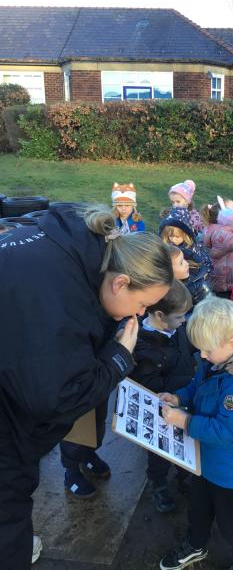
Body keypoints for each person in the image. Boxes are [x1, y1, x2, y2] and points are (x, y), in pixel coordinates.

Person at [0, 204, 173, 569]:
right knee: (8, 505)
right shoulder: (59, 302)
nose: (140, 314)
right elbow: (56, 398)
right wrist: (118, 359)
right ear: (121, 282)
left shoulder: (78, 249)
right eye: (142, 304)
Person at [158, 296, 233, 570]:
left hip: (230, 470)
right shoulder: (219, 361)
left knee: (232, 518)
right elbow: (199, 386)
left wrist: (184, 421)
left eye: (207, 350)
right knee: (198, 507)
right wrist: (179, 397)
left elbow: (224, 431)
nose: (202, 356)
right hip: (204, 459)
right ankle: (196, 544)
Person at [131, 280, 195, 513]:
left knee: (185, 442)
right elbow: (149, 385)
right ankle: (158, 484)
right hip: (162, 410)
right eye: (179, 317)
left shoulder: (176, 329)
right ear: (159, 315)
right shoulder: (142, 346)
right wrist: (182, 386)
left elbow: (189, 348)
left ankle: (184, 475)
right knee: (160, 451)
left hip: (183, 401)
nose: (184, 321)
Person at [159, 208, 212, 305]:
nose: (173, 239)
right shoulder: (167, 250)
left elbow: (206, 265)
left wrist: (203, 276)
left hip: (194, 289)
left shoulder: (195, 249)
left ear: (185, 234)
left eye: (177, 236)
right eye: (170, 236)